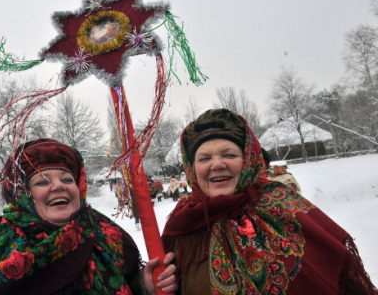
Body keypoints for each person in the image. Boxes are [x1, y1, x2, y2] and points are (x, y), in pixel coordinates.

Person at [161, 109, 377, 294]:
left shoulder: (282, 204)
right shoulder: (181, 225)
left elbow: (329, 270)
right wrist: (150, 287)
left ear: (249, 161)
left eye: (229, 154)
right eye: (204, 158)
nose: (216, 164)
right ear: (191, 169)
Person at [0, 138, 177, 295]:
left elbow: (127, 285)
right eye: (42, 181)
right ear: (23, 195)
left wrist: (144, 287)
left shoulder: (103, 231)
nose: (58, 186)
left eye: (67, 179)